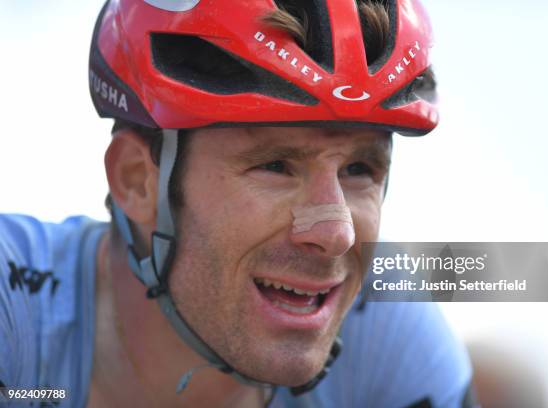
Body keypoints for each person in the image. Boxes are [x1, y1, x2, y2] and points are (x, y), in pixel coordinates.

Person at [0, 0, 475, 406]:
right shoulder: (13, 307)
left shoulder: (388, 340)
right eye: (275, 166)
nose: (336, 234)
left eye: (359, 170)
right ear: (138, 182)